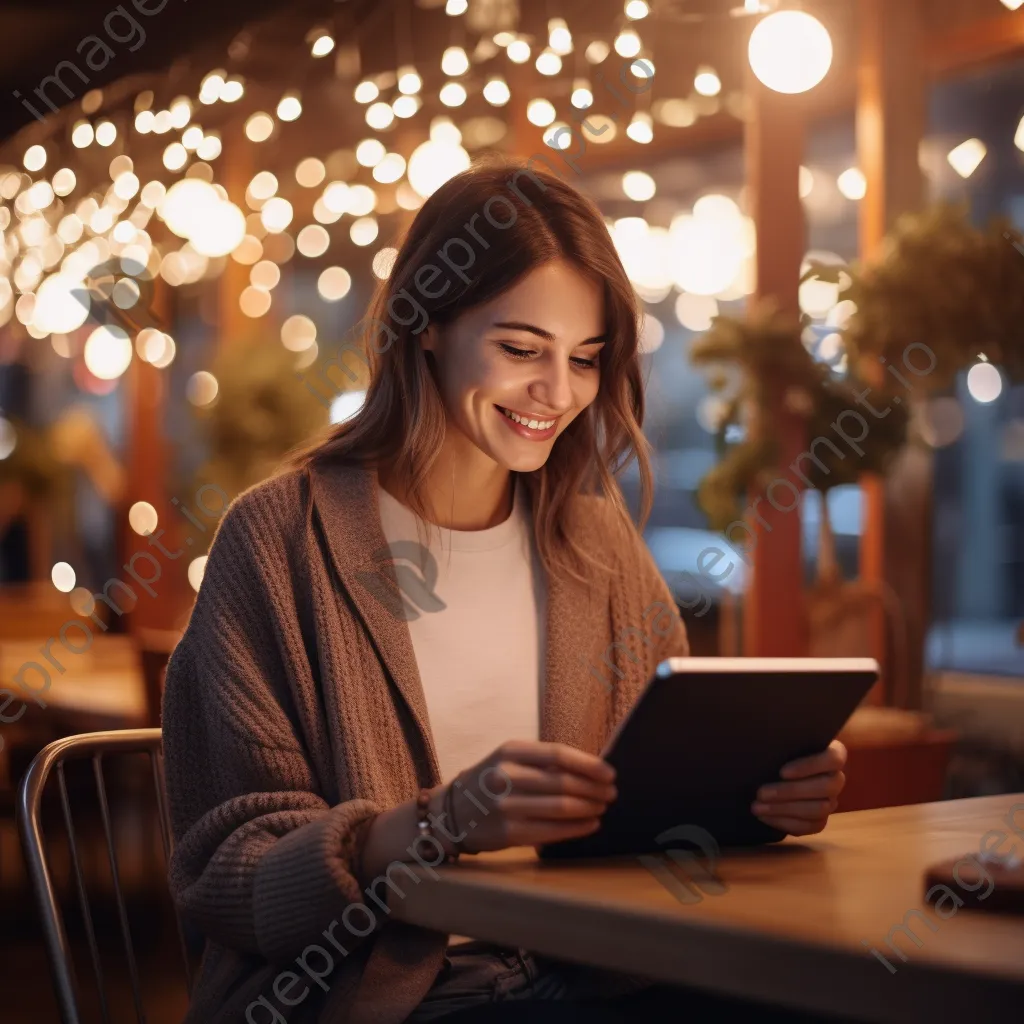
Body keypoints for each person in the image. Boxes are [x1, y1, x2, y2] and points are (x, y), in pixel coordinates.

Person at [161, 159, 847, 1023]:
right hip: (382, 996)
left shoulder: (596, 545)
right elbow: (226, 873)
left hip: (591, 969)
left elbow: (648, 805)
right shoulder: (278, 540)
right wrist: (431, 824)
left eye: (586, 359)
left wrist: (752, 800)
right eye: (522, 349)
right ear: (425, 326)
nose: (557, 394)